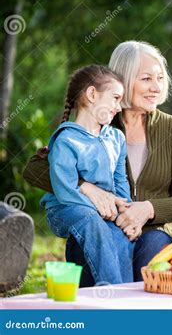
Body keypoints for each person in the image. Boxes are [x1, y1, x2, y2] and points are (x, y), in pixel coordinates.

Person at [23, 41, 172, 285]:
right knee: (87, 240)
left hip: (153, 230)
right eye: (147, 79)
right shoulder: (101, 122)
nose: (156, 87)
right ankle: (96, 314)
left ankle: (126, 311)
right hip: (103, 222)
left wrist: (146, 209)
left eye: (160, 78)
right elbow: (34, 169)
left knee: (147, 259)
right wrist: (86, 187)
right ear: (124, 80)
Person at [41, 64, 134, 284]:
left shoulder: (116, 138)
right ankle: (113, 295)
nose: (119, 107)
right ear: (92, 94)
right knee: (92, 222)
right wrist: (102, 207)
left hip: (103, 211)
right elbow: (65, 191)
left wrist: (124, 210)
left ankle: (126, 296)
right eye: (115, 98)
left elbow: (121, 182)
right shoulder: (66, 140)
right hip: (64, 209)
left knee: (120, 234)